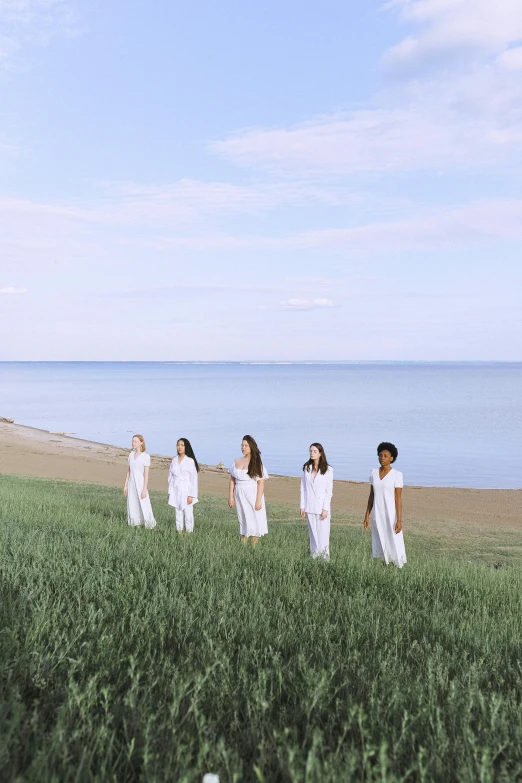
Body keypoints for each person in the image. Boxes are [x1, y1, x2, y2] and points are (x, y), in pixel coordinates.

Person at [363, 441, 406, 568]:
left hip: (391, 513)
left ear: (391, 458)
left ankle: (397, 564)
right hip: (378, 511)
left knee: (393, 537)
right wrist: (367, 516)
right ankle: (381, 562)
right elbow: (372, 495)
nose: (382, 458)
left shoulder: (397, 475)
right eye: (380, 455)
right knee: (379, 536)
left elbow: (398, 498)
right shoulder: (374, 473)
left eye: (385, 456)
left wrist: (399, 520)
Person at [228, 435, 268, 546]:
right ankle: (243, 545)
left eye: (246, 445)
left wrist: (258, 500)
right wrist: (230, 496)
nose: (243, 447)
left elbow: (261, 482)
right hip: (239, 493)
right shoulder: (237, 461)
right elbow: (232, 480)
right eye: (242, 445)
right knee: (242, 517)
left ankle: (254, 546)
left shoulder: (256, 463)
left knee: (254, 518)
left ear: (251, 447)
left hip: (252, 493)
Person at [300, 443, 333, 560]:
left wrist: (325, 509)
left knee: (323, 535)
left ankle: (325, 559)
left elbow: (329, 492)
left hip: (321, 508)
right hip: (310, 506)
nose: (312, 453)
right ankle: (314, 557)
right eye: (311, 451)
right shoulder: (306, 468)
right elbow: (303, 488)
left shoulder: (328, 470)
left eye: (314, 451)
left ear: (320, 453)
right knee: (313, 535)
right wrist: (302, 506)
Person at [124, 434, 156, 529]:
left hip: (140, 483)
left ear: (141, 443)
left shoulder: (145, 456)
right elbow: (129, 471)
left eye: (135, 441)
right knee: (132, 502)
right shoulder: (131, 455)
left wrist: (144, 489)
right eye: (133, 441)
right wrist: (125, 485)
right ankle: (136, 523)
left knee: (144, 503)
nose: (133, 443)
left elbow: (146, 474)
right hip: (131, 483)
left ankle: (149, 524)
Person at [168, 438, 199, 533]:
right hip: (176, 488)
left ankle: (189, 532)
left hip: (187, 489)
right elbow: (170, 477)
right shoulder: (174, 460)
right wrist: (170, 491)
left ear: (186, 447)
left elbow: (193, 479)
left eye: (182, 445)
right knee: (178, 511)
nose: (179, 447)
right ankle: (179, 531)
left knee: (188, 512)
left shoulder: (190, 461)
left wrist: (191, 495)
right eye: (178, 445)